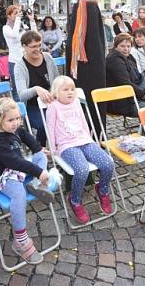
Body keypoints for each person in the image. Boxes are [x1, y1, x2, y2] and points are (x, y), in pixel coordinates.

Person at [0, 98, 57, 265]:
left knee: (40, 155)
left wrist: (38, 149)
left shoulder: (17, 129)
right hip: (2, 176)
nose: (16, 123)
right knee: (19, 194)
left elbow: (31, 141)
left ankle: (35, 183)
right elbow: (13, 162)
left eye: (18, 118)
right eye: (11, 120)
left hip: (18, 169)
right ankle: (20, 240)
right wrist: (39, 171)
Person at [45, 76, 114, 223]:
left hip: (84, 141)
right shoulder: (53, 107)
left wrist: (90, 139)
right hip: (67, 145)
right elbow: (50, 127)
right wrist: (52, 147)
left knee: (108, 163)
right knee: (81, 169)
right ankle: (75, 200)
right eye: (65, 90)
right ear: (56, 93)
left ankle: (102, 190)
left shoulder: (76, 102)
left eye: (72, 89)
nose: (70, 92)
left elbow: (83, 121)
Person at [14, 31, 60, 145]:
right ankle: (39, 147)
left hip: (50, 102)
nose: (38, 49)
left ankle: (61, 146)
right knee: (44, 123)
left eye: (39, 45)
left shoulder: (47, 58)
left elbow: (57, 81)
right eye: (33, 46)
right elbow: (21, 94)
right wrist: (36, 89)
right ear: (24, 46)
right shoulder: (20, 65)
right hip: (32, 106)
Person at [105, 33, 145, 118]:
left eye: (128, 46)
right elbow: (125, 83)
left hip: (133, 97)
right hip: (121, 101)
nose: (126, 49)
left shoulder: (129, 57)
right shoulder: (114, 60)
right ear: (116, 46)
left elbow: (137, 78)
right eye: (122, 46)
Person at [2, 5, 36, 93]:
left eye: (18, 13)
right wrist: (17, 20)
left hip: (26, 60)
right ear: (9, 16)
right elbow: (14, 35)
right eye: (15, 13)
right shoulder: (6, 28)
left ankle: (27, 105)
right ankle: (18, 106)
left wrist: (32, 20)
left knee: (28, 84)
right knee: (16, 87)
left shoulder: (21, 27)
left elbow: (34, 35)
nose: (17, 15)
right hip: (14, 61)